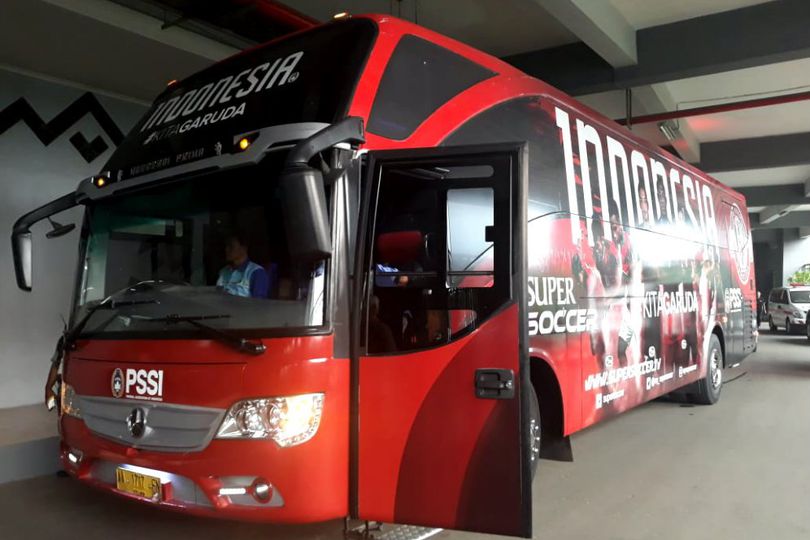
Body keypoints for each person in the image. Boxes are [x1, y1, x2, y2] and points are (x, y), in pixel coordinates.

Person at [217, 232, 269, 298]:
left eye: (231, 246)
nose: (226, 249)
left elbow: (259, 304)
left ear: (243, 248)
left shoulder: (256, 272)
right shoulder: (223, 272)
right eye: (226, 246)